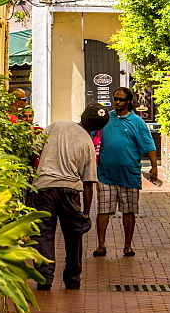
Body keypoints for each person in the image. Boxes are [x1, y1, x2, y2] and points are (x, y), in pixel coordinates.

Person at [27, 103, 109, 291]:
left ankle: (44, 278)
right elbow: (89, 182)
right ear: (99, 128)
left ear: (82, 115)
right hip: (70, 192)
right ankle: (72, 279)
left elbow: (34, 150)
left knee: (43, 234)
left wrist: (32, 174)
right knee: (74, 236)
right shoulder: (88, 143)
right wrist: (86, 213)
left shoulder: (58, 125)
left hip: (43, 189)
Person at [94, 87, 158, 258]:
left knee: (129, 211)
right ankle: (101, 245)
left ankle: (127, 246)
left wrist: (154, 168)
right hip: (105, 174)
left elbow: (149, 145)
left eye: (121, 99)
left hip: (129, 175)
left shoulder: (137, 121)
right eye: (115, 98)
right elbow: (90, 133)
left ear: (129, 101)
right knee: (103, 210)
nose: (117, 102)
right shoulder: (106, 118)